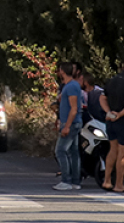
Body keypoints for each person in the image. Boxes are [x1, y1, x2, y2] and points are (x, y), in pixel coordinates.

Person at [100, 59, 124, 193]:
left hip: (111, 121)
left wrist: (108, 112)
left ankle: (106, 181)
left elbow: (102, 98)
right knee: (123, 154)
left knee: (112, 150)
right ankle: (119, 184)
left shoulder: (112, 81)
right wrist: (120, 114)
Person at [53, 61, 84, 191]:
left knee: (60, 150)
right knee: (73, 152)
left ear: (63, 71)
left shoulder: (71, 86)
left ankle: (66, 180)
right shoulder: (71, 86)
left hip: (70, 123)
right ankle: (75, 181)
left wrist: (67, 126)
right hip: (73, 122)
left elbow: (74, 108)